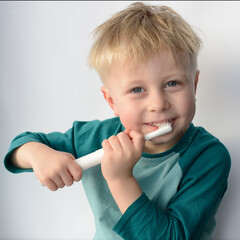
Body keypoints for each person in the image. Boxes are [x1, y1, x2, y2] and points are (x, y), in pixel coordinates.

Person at [4, 2, 231, 239]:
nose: (158, 103)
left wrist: (120, 178)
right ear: (112, 101)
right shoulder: (95, 138)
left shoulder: (208, 157)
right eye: (137, 90)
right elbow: (22, 146)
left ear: (194, 85)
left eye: (172, 84)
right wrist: (37, 154)